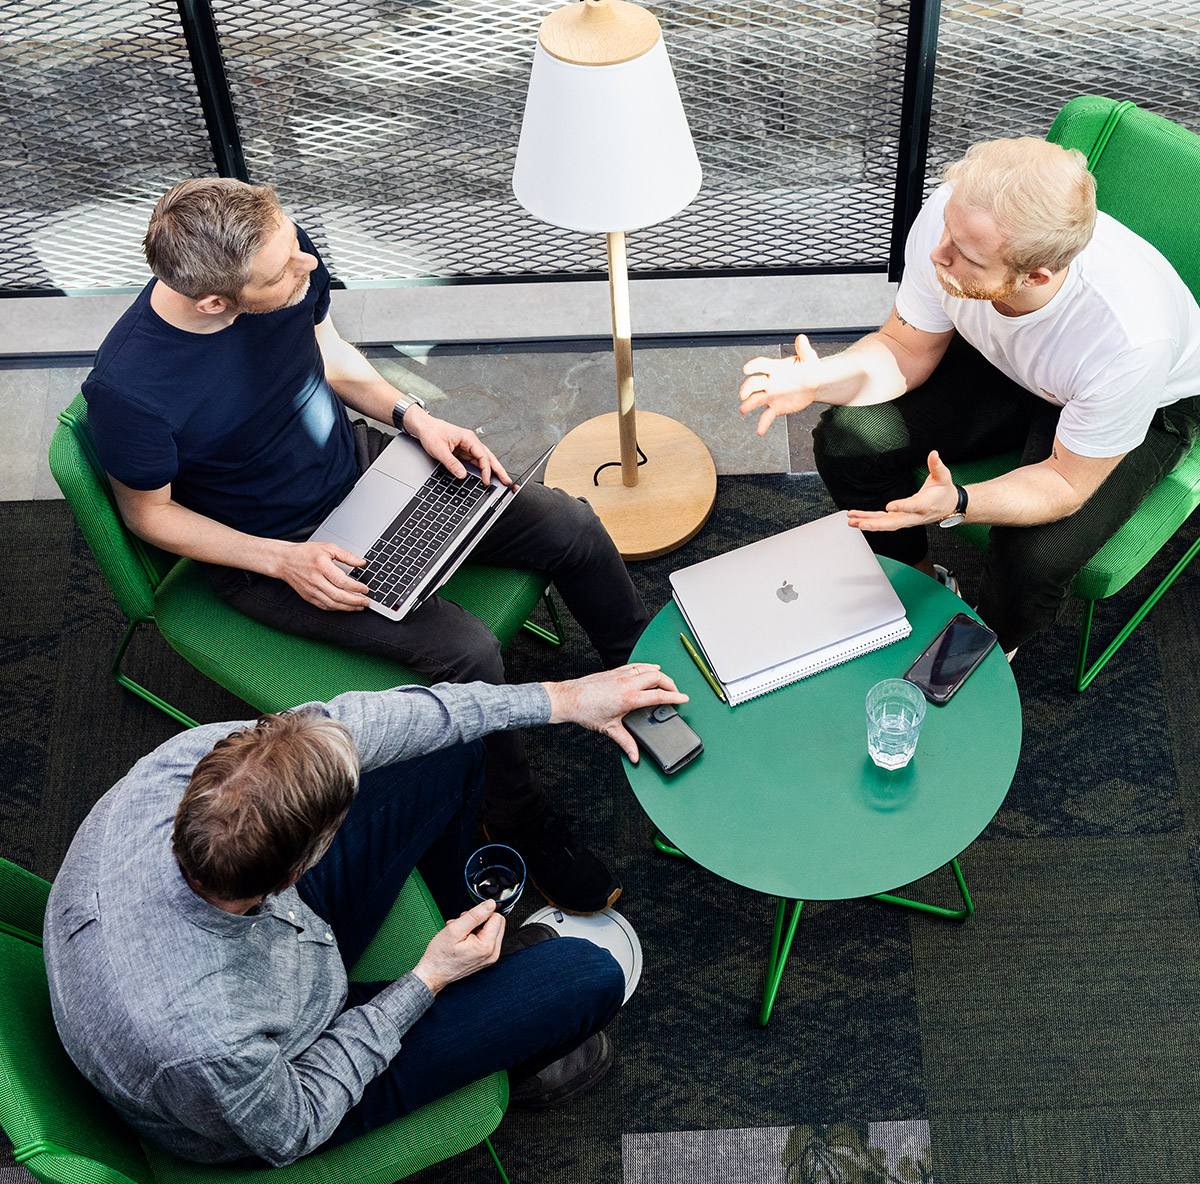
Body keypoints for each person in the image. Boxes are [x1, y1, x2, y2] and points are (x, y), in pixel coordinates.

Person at [81, 178, 650, 914]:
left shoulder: (281, 256)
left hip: (363, 472)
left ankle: (642, 677)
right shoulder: (129, 391)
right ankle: (513, 812)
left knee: (568, 523)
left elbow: (327, 351)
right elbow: (149, 516)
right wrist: (282, 560)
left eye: (294, 247)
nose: (308, 266)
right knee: (468, 652)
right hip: (275, 555)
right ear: (216, 302)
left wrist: (414, 417)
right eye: (284, 270)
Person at [44, 663, 686, 1166]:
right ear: (299, 871)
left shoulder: (181, 768)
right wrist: (427, 979)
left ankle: (475, 942)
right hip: (285, 1075)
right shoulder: (209, 1043)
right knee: (589, 977)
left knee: (449, 748)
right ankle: (514, 1061)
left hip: (282, 944)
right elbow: (293, 1126)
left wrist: (563, 699)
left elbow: (370, 723)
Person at [737, 137, 1200, 656]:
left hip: (1143, 405)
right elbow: (906, 348)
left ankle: (987, 649)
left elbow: (1064, 483)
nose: (939, 254)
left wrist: (960, 501)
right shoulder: (955, 220)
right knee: (849, 439)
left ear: (1035, 275)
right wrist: (820, 378)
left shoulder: (1129, 340)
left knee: (1033, 561)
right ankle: (919, 583)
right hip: (1011, 363)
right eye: (948, 233)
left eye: (967, 257)